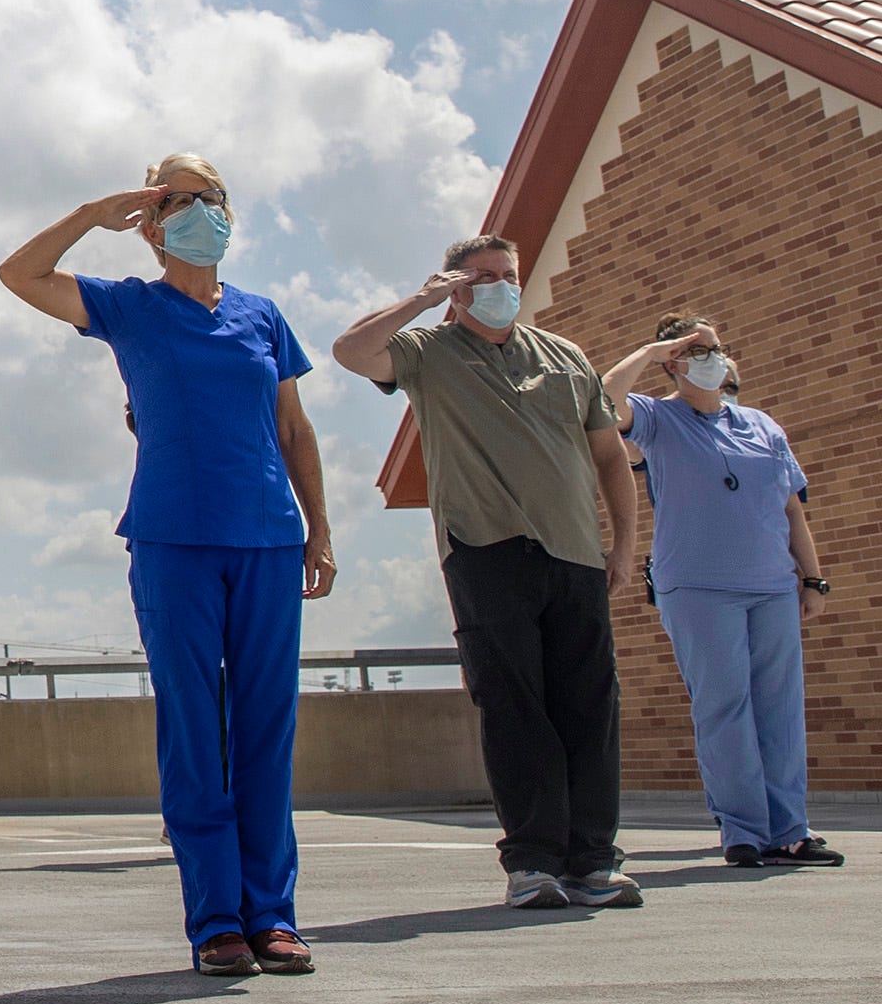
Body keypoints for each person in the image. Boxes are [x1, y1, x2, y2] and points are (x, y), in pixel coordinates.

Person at [0, 157, 337, 976]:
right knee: (195, 728)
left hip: (268, 538)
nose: (197, 210)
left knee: (267, 728)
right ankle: (217, 920)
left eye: (208, 195)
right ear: (150, 222)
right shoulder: (130, 306)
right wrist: (92, 209)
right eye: (175, 197)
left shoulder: (262, 317)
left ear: (229, 211)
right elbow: (21, 274)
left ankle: (274, 916)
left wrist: (318, 528)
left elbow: (293, 430)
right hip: (173, 538)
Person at [333, 235, 646, 911]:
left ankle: (594, 862)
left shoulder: (566, 357)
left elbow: (609, 456)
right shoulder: (428, 353)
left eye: (507, 274)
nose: (499, 285)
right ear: (455, 285)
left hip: (574, 553)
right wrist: (423, 299)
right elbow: (352, 351)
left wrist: (622, 545)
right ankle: (533, 863)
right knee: (514, 709)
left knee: (589, 709)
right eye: (481, 277)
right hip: (484, 550)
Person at [599, 318, 843, 870]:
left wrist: (812, 578)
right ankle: (743, 832)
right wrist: (650, 347)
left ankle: (791, 831)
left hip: (772, 586)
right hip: (699, 588)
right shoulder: (657, 417)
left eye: (714, 348)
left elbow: (791, 509)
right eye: (694, 350)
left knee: (780, 710)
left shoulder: (762, 425)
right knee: (725, 708)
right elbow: (603, 397)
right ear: (673, 362)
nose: (709, 357)